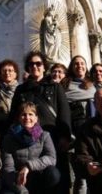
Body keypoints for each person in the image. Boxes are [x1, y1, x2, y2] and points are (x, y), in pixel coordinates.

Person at [10, 51, 71, 191]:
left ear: (44, 66)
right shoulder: (21, 90)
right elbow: (14, 115)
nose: (35, 66)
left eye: (38, 63)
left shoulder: (55, 87)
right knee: (32, 178)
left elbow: (64, 113)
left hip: (53, 138)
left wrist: (64, 137)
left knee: (55, 177)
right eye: (31, 64)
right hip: (28, 142)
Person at [1, 102, 60, 193]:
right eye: (23, 115)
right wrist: (22, 190)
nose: (27, 118)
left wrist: (28, 166)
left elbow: (52, 158)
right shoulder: (9, 138)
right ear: (19, 118)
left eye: (30, 114)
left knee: (53, 173)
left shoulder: (44, 136)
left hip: (39, 179)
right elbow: (8, 169)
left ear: (36, 118)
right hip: (17, 181)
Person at [63, 55, 97, 194]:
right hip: (74, 132)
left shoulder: (92, 85)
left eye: (82, 63)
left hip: (92, 132)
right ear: (72, 67)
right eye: (76, 64)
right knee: (79, 175)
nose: (79, 66)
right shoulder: (66, 85)